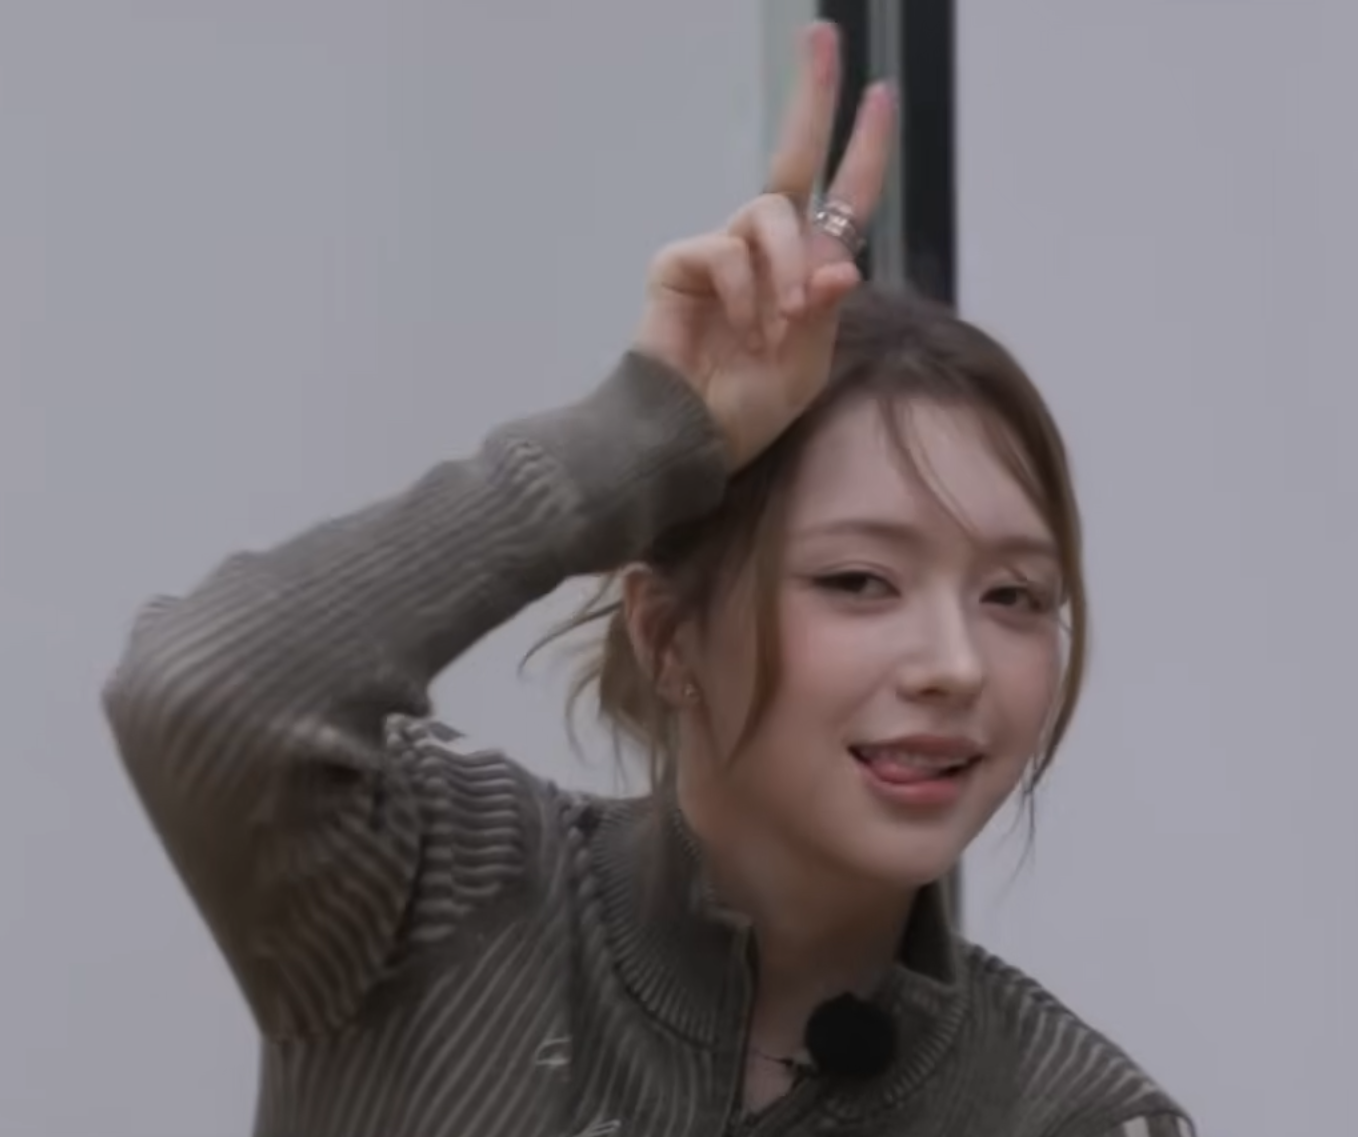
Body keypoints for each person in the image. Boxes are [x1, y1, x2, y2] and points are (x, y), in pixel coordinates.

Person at [103, 20, 1194, 1137]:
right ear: (667, 635)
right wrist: (639, 432)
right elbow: (205, 689)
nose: (954, 666)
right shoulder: (439, 886)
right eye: (861, 581)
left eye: (1014, 596)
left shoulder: (1067, 1112)